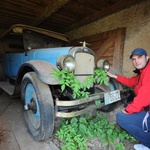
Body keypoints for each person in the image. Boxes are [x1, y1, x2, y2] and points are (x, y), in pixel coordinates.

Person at [106, 48, 150, 150]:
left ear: (147, 57)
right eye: (134, 59)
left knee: (121, 117)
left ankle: (148, 143)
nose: (136, 61)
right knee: (128, 105)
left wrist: (127, 110)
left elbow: (144, 96)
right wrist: (114, 76)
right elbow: (131, 82)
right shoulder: (143, 72)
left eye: (139, 57)